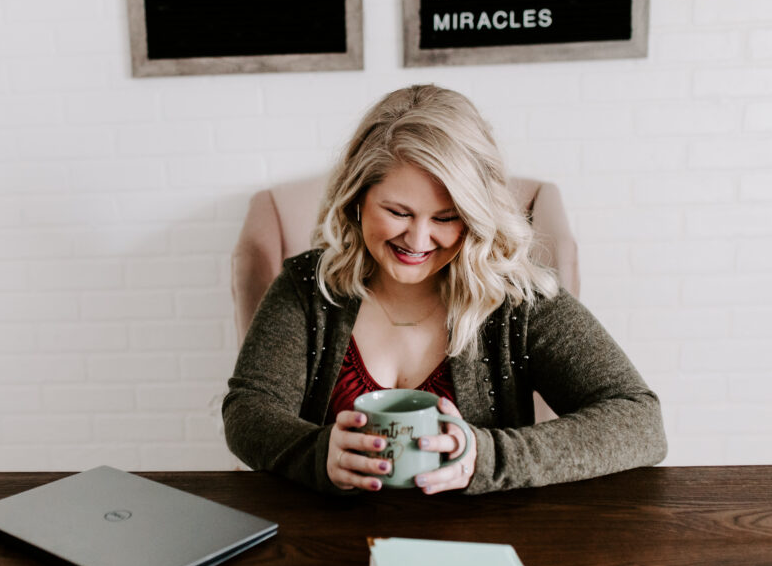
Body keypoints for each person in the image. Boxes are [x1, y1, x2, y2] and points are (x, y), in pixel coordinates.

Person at [223, 84, 666, 495]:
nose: (417, 241)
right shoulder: (308, 287)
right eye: (398, 211)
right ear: (356, 199)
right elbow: (247, 409)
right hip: (325, 546)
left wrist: (487, 457)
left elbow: (641, 422)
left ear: (475, 217)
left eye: (445, 218)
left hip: (481, 548)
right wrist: (318, 454)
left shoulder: (518, 301)